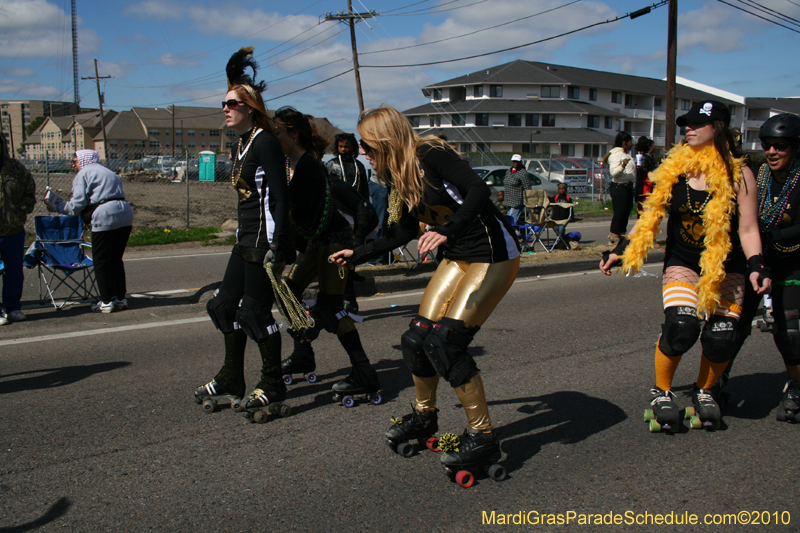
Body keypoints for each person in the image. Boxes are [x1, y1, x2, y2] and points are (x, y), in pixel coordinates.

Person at [331, 105, 520, 470]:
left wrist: (448, 230)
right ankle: (424, 416)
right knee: (416, 338)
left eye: (366, 146)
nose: (362, 153)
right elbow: (401, 232)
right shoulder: (399, 175)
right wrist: (359, 253)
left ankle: (483, 437)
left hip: (492, 255)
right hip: (457, 256)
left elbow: (479, 190)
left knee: (446, 343)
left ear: (384, 141)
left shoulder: (430, 154)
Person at [600, 101, 770, 431]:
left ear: (719, 127)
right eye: (685, 124)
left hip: (726, 265)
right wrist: (621, 249)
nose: (687, 129)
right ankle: (661, 390)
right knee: (681, 327)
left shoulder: (741, 174)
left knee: (722, 337)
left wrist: (756, 266)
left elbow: (748, 228)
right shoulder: (675, 168)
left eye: (696, 123)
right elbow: (650, 216)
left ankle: (705, 390)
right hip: (684, 261)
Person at [194, 47, 294, 412]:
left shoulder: (265, 143)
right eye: (224, 103)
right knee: (221, 307)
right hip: (245, 241)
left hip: (264, 243)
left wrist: (278, 245)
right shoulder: (242, 143)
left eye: (233, 103)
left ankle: (273, 382)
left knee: (254, 314)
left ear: (251, 108)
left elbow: (280, 198)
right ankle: (231, 377)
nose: (225, 108)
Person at [272, 107, 381, 400]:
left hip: (335, 240)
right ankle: (303, 353)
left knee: (331, 307)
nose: (273, 136)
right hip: (317, 242)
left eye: (277, 131)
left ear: (293, 135)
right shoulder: (289, 164)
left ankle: (364, 372)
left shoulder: (308, 165)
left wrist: (356, 244)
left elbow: (291, 209)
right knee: (286, 291)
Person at [717, 114, 800, 422]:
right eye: (767, 146)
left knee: (788, 329)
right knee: (732, 327)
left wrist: (771, 235)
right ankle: (718, 378)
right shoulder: (755, 176)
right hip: (756, 262)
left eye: (781, 146)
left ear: (796, 148)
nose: (772, 152)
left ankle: (796, 386)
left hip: (792, 263)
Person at [46, 149, 133, 313]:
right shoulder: (109, 173)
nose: (74, 164)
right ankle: (120, 298)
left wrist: (55, 206)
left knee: (101, 260)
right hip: (125, 213)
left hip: (105, 215)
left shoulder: (83, 174)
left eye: (75, 161)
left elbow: (76, 205)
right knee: (115, 259)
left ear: (83, 160)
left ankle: (106, 301)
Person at [0, 134, 36, 324]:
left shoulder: (15, 169)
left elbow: (30, 191)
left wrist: (21, 210)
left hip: (12, 229)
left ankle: (13, 307)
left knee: (14, 271)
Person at [607, 132, 635, 244]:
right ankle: (614, 235)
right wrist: (623, 165)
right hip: (619, 187)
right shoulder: (615, 155)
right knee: (619, 212)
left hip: (628, 186)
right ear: (624, 143)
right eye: (630, 142)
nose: (631, 144)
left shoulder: (627, 154)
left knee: (626, 211)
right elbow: (614, 173)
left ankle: (622, 234)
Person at [325, 133, 370, 201]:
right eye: (340, 146)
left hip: (356, 203)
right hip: (337, 204)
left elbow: (365, 190)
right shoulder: (331, 164)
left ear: (352, 147)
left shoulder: (359, 165)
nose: (343, 149)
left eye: (346, 146)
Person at [503, 154, 531, 224]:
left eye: (517, 161)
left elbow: (527, 187)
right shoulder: (508, 171)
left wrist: (528, 201)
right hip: (508, 200)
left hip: (517, 201)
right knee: (510, 218)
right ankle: (525, 231)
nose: (515, 163)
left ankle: (512, 234)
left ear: (520, 162)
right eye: (514, 161)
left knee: (512, 220)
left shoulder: (523, 173)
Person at [634, 136, 656, 217]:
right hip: (645, 189)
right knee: (645, 213)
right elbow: (645, 173)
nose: (655, 147)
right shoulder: (644, 159)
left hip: (650, 189)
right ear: (650, 147)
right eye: (653, 145)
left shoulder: (650, 158)